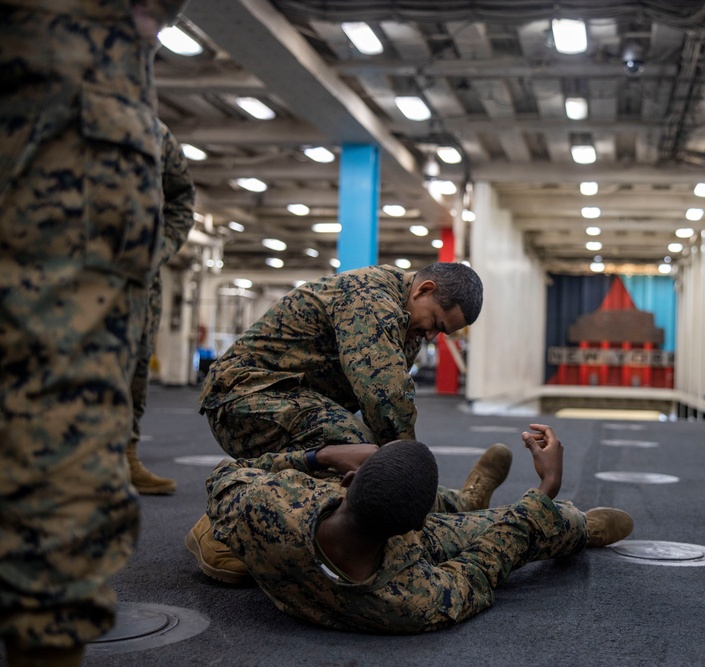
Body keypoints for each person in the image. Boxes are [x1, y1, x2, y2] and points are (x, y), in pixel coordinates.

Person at [0, 2, 187, 666]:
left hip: (82, 89)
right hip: (68, 87)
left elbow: (180, 195)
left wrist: (160, 248)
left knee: (69, 406)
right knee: (60, 409)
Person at [189, 262, 487, 582]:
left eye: (440, 333)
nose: (431, 336)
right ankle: (222, 525)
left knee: (363, 459)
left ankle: (459, 502)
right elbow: (385, 403)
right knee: (354, 452)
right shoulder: (371, 299)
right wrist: (404, 483)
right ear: (424, 290)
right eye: (435, 323)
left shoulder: (408, 325)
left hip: (294, 401)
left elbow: (389, 407)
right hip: (242, 398)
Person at [198, 424, 633, 633]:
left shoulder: (261, 510)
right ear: (414, 529)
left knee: (410, 491)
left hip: (314, 540)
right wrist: (547, 488)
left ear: (348, 482)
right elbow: (484, 565)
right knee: (517, 524)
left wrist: (325, 455)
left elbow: (228, 473)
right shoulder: (414, 595)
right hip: (403, 547)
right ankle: (576, 528)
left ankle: (463, 501)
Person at [127, 119, 196, 495]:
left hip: (135, 280)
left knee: (135, 368)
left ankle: (124, 455)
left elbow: (182, 198)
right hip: (49, 276)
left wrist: (161, 249)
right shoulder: (33, 106)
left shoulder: (154, 132)